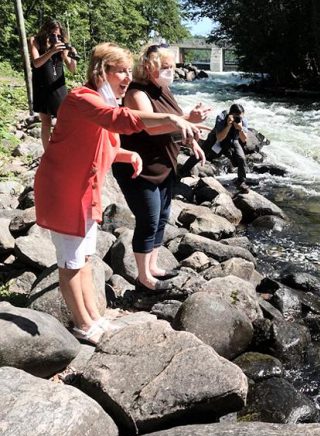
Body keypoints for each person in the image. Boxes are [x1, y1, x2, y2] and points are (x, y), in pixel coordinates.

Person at [33, 43, 202, 344]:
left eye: (128, 70)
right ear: (101, 71)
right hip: (65, 191)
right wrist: (177, 119)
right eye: (121, 70)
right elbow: (121, 120)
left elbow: (109, 144)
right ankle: (83, 325)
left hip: (85, 191)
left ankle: (94, 317)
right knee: (70, 264)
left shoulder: (101, 103)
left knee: (84, 258)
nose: (127, 76)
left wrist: (129, 156)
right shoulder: (81, 98)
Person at [112, 44, 209, 291]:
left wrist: (190, 139)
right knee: (148, 218)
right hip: (139, 168)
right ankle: (144, 278)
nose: (170, 71)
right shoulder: (136, 92)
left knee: (162, 218)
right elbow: (151, 126)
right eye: (165, 67)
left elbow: (172, 124)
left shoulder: (163, 89)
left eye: (172, 66)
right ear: (148, 66)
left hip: (164, 164)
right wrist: (188, 119)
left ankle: (153, 267)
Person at [29, 20, 78, 150]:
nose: (56, 37)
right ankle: (47, 153)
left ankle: (62, 149)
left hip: (58, 86)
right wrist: (51, 51)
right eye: (53, 34)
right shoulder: (35, 40)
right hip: (41, 85)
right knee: (46, 122)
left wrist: (71, 55)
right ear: (46, 31)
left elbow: (72, 70)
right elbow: (36, 63)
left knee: (64, 120)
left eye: (59, 35)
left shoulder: (61, 44)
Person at [181, 103, 250, 191]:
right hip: (215, 139)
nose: (238, 119)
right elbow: (219, 137)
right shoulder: (222, 117)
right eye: (236, 117)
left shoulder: (242, 120)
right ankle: (183, 171)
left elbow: (244, 140)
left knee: (241, 158)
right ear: (230, 114)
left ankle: (241, 182)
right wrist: (228, 125)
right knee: (200, 154)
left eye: (240, 117)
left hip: (233, 140)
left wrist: (240, 129)